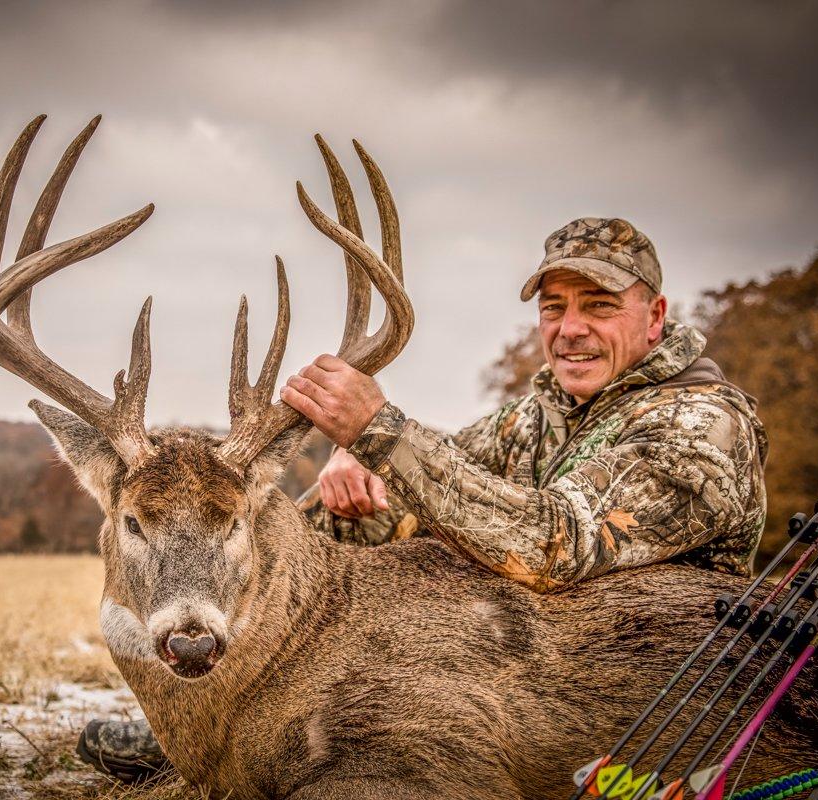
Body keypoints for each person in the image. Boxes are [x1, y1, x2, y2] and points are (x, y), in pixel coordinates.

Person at [77, 216, 768, 780]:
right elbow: (427, 501)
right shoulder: (537, 417)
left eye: (600, 306)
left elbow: (555, 542)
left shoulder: (703, 424)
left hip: (659, 674)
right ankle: (217, 723)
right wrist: (357, 488)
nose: (571, 328)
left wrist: (381, 434)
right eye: (554, 308)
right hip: (523, 645)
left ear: (656, 317)